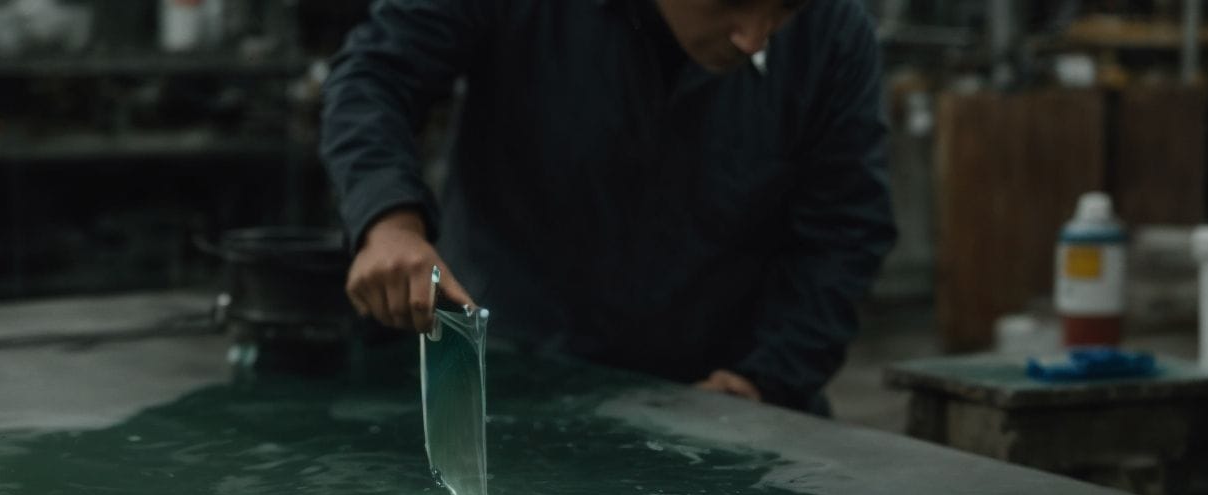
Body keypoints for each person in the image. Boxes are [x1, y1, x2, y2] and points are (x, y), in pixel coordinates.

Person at [320, 0, 896, 414]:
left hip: (718, 407)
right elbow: (376, 77)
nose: (753, 38)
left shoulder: (833, 35)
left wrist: (768, 379)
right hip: (515, 386)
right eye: (734, 3)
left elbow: (845, 231)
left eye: (783, 12)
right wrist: (389, 221)